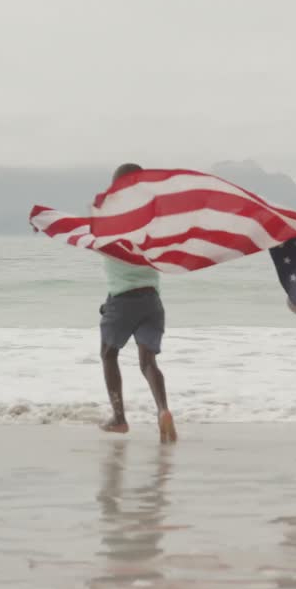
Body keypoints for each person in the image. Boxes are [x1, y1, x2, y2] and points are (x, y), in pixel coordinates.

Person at [97, 162, 177, 442]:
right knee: (148, 363)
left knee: (109, 355)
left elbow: (83, 234)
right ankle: (163, 410)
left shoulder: (107, 218)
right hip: (152, 300)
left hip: (121, 301)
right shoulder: (153, 220)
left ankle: (119, 419)